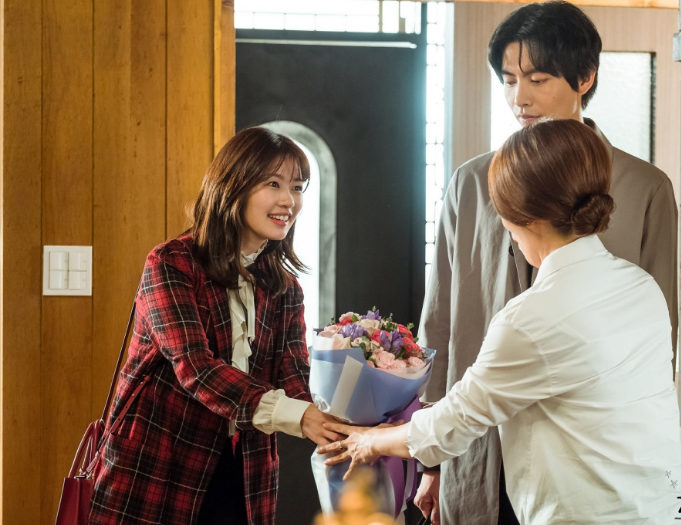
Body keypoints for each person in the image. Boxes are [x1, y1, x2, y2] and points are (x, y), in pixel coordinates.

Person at [319, 119, 681, 524]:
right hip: (659, 508)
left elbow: (452, 424)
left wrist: (370, 441)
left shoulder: (533, 317)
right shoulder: (641, 286)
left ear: (525, 217)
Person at [415, 2, 678, 524]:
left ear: (585, 77)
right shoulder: (471, 184)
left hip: (590, 463)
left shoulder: (645, 188)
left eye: (537, 79)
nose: (520, 98)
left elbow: (660, 334)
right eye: (509, 80)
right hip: (478, 447)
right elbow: (440, 321)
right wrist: (433, 462)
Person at [89, 127, 342, 525]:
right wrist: (302, 416)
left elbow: (294, 374)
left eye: (297, 187)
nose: (289, 201)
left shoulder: (284, 286)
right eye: (273, 184)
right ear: (233, 186)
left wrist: (350, 415)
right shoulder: (171, 264)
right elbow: (196, 368)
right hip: (157, 462)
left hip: (244, 470)